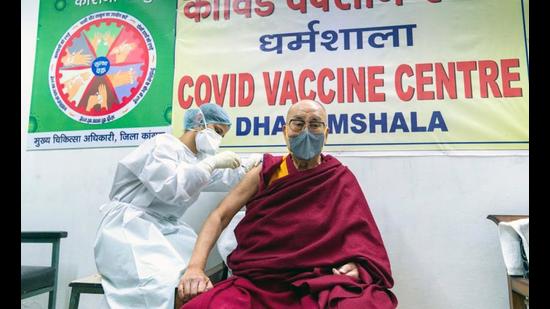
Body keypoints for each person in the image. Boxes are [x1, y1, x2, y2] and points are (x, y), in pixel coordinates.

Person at [178, 99, 397, 308]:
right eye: (298, 124)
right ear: (285, 132)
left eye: (315, 125)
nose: (306, 132)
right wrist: (196, 267)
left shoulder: (338, 178)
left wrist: (357, 267)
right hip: (261, 283)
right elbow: (220, 216)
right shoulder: (266, 172)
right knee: (205, 305)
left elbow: (362, 240)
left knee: (367, 304)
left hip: (319, 282)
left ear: (326, 134)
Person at [93, 103, 262, 309]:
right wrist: (211, 164)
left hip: (165, 228)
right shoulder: (162, 145)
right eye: (217, 131)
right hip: (129, 228)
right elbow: (171, 187)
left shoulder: (199, 159)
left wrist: (255, 163)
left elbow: (225, 175)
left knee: (195, 274)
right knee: (157, 284)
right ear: (199, 123)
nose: (217, 139)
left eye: (222, 135)